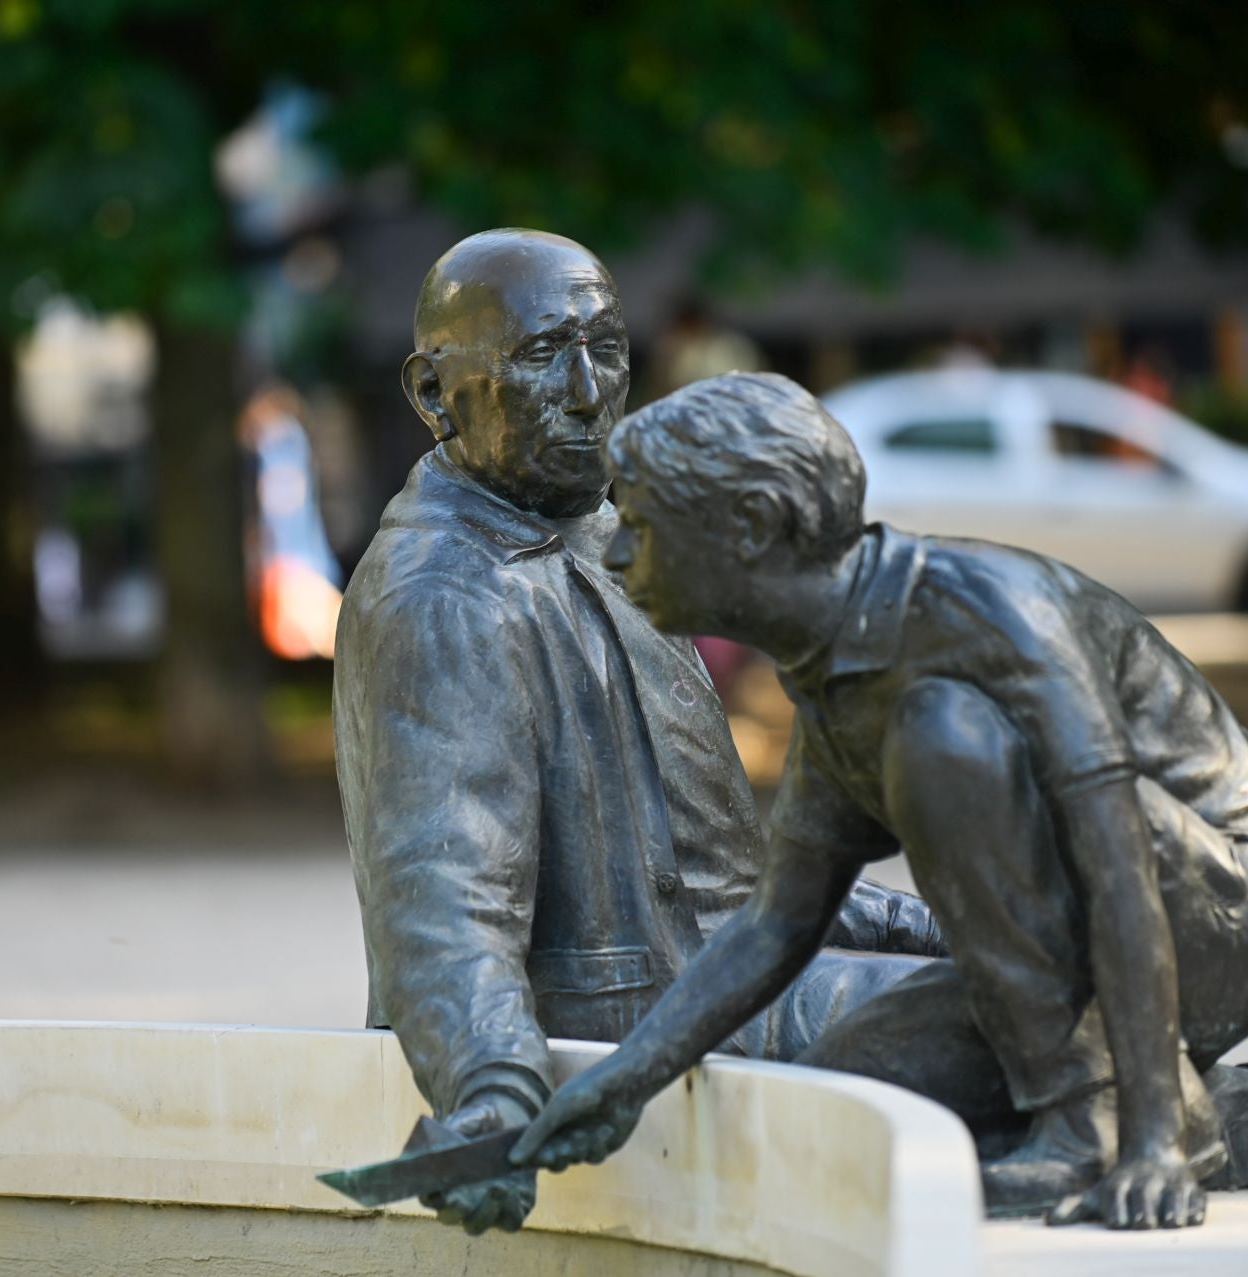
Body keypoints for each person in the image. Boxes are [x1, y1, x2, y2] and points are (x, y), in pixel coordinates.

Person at [513, 372, 1248, 1230]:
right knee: (853, 1086)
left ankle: (1112, 1117)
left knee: (942, 737)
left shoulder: (983, 615)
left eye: (639, 523)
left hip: (1235, 897)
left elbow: (1119, 866)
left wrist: (1145, 1144)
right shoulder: (833, 670)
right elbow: (777, 925)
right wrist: (623, 1079)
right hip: (1102, 942)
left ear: (749, 522)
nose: (619, 549)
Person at [332, 233, 944, 1236]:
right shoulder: (446, 596)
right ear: (435, 394)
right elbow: (445, 904)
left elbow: (726, 878)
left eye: (605, 346)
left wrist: (910, 917)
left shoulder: (608, 535)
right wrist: (493, 1091)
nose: (588, 389)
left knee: (1035, 960)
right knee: (1020, 1012)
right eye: (542, 353)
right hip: (626, 1028)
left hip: (717, 973)